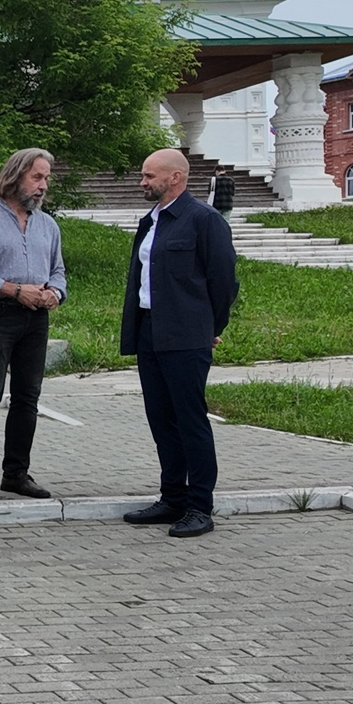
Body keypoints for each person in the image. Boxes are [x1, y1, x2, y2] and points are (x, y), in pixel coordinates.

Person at [118, 148, 238, 538]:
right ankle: (172, 497)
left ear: (175, 178)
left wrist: (208, 327)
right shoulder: (151, 222)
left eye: (150, 176)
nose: (143, 182)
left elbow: (224, 283)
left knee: (190, 420)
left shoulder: (204, 220)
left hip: (186, 335)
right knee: (161, 419)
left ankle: (200, 506)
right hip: (151, 331)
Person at [0, 148, 67, 505]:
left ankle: (16, 474)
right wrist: (14, 290)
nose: (43, 186)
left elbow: (59, 271)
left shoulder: (47, 224)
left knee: (28, 399)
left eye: (46, 179)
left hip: (36, 318)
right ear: (15, 175)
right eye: (37, 177)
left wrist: (55, 293)